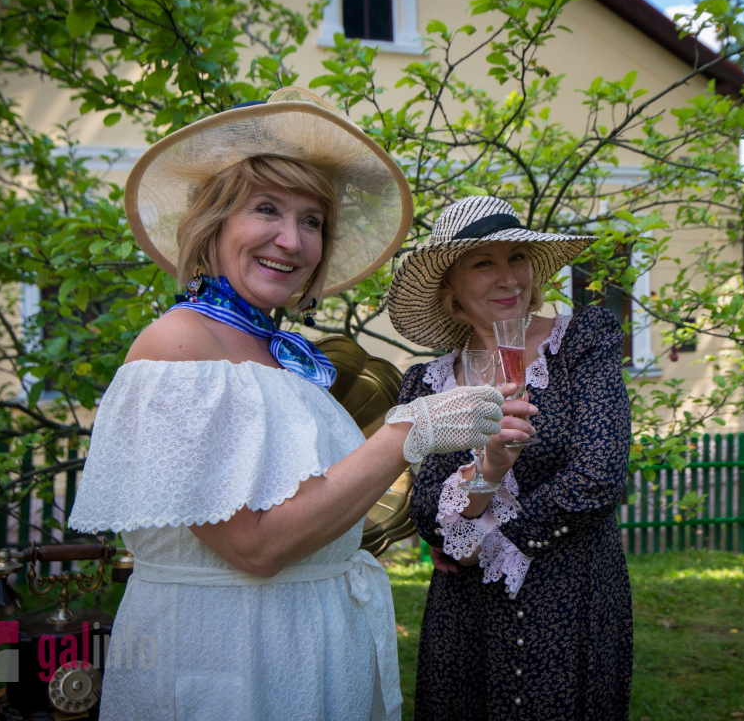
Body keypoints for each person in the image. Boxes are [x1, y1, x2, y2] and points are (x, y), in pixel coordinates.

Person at [67, 87, 508, 720]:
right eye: (266, 209)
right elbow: (256, 548)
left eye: (311, 221)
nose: (291, 240)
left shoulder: (283, 355)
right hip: (227, 661)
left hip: (306, 654)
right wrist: (406, 432)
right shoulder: (178, 342)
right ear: (214, 222)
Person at [386, 195, 633, 720]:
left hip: (571, 596)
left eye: (517, 257)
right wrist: (488, 473)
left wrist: (486, 541)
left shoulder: (579, 344)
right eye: (484, 263)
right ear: (449, 287)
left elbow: (598, 474)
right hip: (465, 615)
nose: (509, 279)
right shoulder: (428, 385)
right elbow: (428, 511)